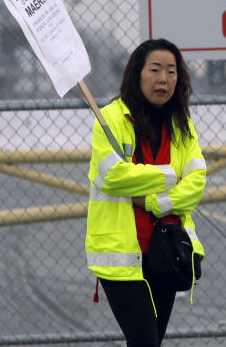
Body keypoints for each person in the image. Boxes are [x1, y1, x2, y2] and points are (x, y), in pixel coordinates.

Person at [86, 38, 207, 347]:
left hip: (166, 251)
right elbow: (111, 175)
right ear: (137, 73)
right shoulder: (111, 118)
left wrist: (154, 200)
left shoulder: (182, 124)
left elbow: (196, 182)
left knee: (151, 341)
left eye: (171, 71)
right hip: (122, 256)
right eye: (154, 69)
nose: (163, 79)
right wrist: (169, 175)